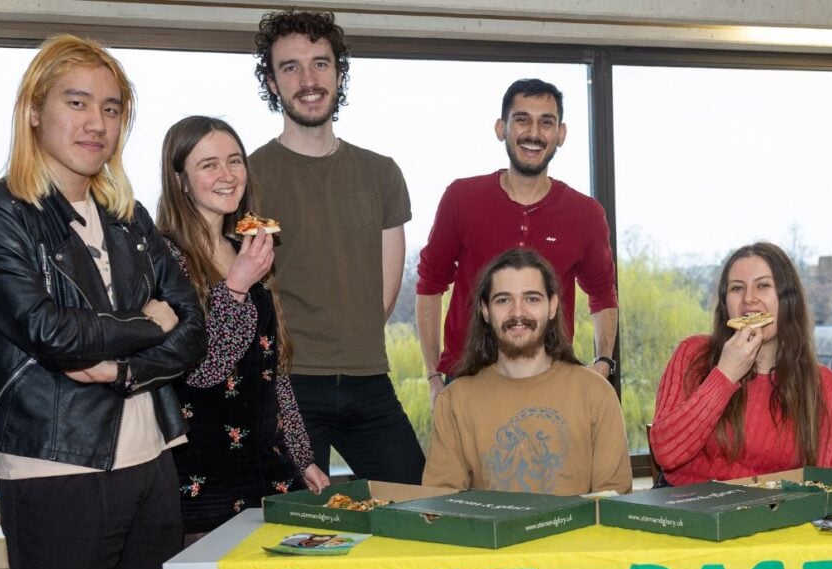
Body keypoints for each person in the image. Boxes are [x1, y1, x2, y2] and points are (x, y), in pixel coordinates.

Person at [0, 35, 206, 569]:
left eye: (111, 109)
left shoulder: (131, 220)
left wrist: (121, 364)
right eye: (76, 103)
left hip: (152, 464)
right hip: (59, 472)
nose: (96, 123)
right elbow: (52, 332)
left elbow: (191, 331)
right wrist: (145, 323)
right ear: (34, 112)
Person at [156, 115, 330, 569]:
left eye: (234, 160)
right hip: (200, 462)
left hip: (263, 459)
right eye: (208, 164)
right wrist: (233, 286)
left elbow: (270, 366)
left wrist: (302, 454)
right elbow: (199, 371)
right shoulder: (164, 257)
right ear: (180, 178)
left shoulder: (248, 246)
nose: (227, 174)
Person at [249, 9, 423, 483]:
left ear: (339, 72)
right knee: (296, 530)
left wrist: (350, 340)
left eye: (320, 63)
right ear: (271, 82)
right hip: (289, 385)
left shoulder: (381, 173)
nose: (308, 79)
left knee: (416, 504)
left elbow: (386, 291)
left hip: (370, 379)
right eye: (290, 67)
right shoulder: (249, 177)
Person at [416, 78, 618, 403]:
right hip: (467, 380)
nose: (534, 133)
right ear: (501, 128)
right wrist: (433, 377)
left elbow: (603, 294)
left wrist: (603, 363)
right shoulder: (461, 198)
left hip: (551, 382)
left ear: (560, 134)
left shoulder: (586, 213)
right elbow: (429, 284)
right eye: (522, 119)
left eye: (546, 122)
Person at [422, 248, 631, 495]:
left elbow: (613, 498)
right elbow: (441, 503)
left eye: (531, 299)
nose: (518, 313)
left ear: (552, 306)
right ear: (485, 311)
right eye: (503, 300)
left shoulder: (595, 394)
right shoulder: (455, 401)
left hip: (578, 534)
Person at [650, 242, 832, 485]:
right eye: (736, 288)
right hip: (688, 508)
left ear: (787, 300)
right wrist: (725, 375)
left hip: (772, 515)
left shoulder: (823, 385)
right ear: (725, 304)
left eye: (763, 286)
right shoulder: (693, 355)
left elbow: (822, 487)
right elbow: (666, 454)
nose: (749, 300)